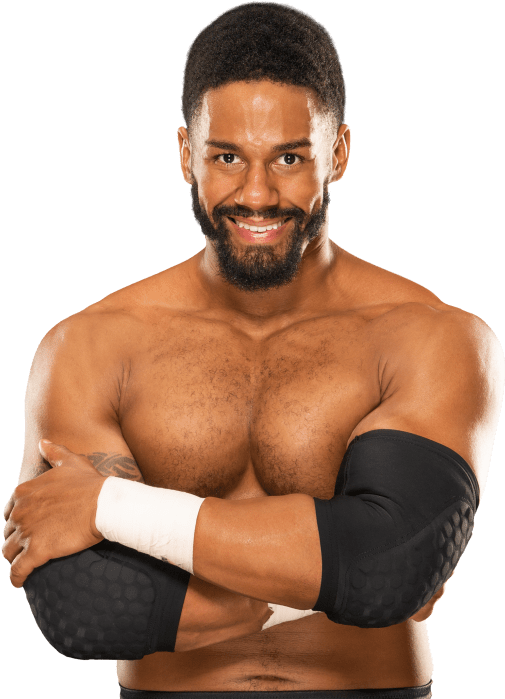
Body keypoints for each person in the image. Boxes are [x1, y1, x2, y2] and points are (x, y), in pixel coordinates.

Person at [3, 3, 503, 698]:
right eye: (227, 157)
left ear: (339, 153)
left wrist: (112, 508)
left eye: (290, 158)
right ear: (186, 155)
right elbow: (83, 604)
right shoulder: (91, 346)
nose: (258, 194)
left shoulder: (430, 337)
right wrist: (342, 574)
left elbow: (384, 567)